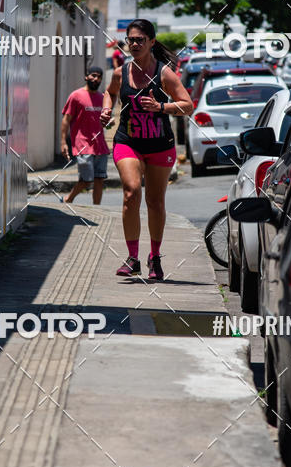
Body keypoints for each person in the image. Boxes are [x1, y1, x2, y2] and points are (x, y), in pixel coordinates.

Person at [100, 19, 193, 280]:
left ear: (152, 42)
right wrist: (107, 110)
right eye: (131, 39)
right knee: (131, 192)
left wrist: (162, 108)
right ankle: (132, 258)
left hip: (160, 144)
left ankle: (154, 257)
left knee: (154, 201)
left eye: (141, 39)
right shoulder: (121, 72)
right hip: (127, 141)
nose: (135, 44)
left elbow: (187, 105)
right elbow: (110, 92)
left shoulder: (164, 73)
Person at [61, 67, 109, 204]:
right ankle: (68, 199)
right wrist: (63, 142)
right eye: (93, 75)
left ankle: (97, 208)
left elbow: (104, 121)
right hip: (83, 145)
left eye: (99, 76)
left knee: (100, 179)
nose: (96, 79)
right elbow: (66, 120)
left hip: (100, 146)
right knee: (87, 180)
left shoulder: (102, 98)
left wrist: (110, 122)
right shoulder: (76, 96)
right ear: (86, 77)